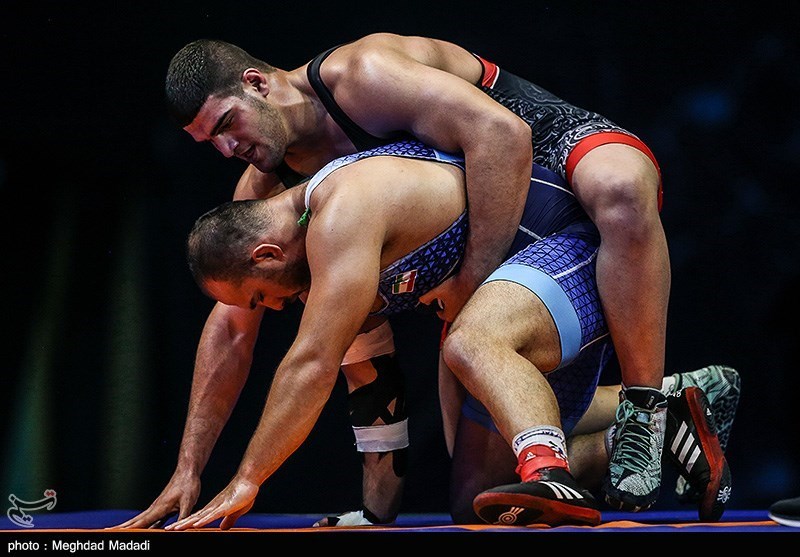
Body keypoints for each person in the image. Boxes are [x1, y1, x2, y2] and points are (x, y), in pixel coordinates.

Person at [159, 32, 671, 515]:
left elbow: (502, 134)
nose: (227, 149)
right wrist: (188, 470)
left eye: (226, 125)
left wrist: (471, 280)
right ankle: (676, 409)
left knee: (619, 189)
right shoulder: (264, 197)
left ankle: (645, 408)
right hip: (496, 231)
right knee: (478, 494)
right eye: (210, 142)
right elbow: (231, 329)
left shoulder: (361, 75)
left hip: (532, 140)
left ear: (255, 83)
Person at [163, 140, 729, 528]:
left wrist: (247, 480)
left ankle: (551, 472)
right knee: (476, 500)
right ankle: (669, 412)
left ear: (266, 254)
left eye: (259, 297)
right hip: (519, 294)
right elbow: (373, 387)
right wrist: (376, 515)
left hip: (576, 246)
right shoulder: (322, 274)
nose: (272, 308)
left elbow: (309, 364)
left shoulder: (341, 212)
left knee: (471, 342)